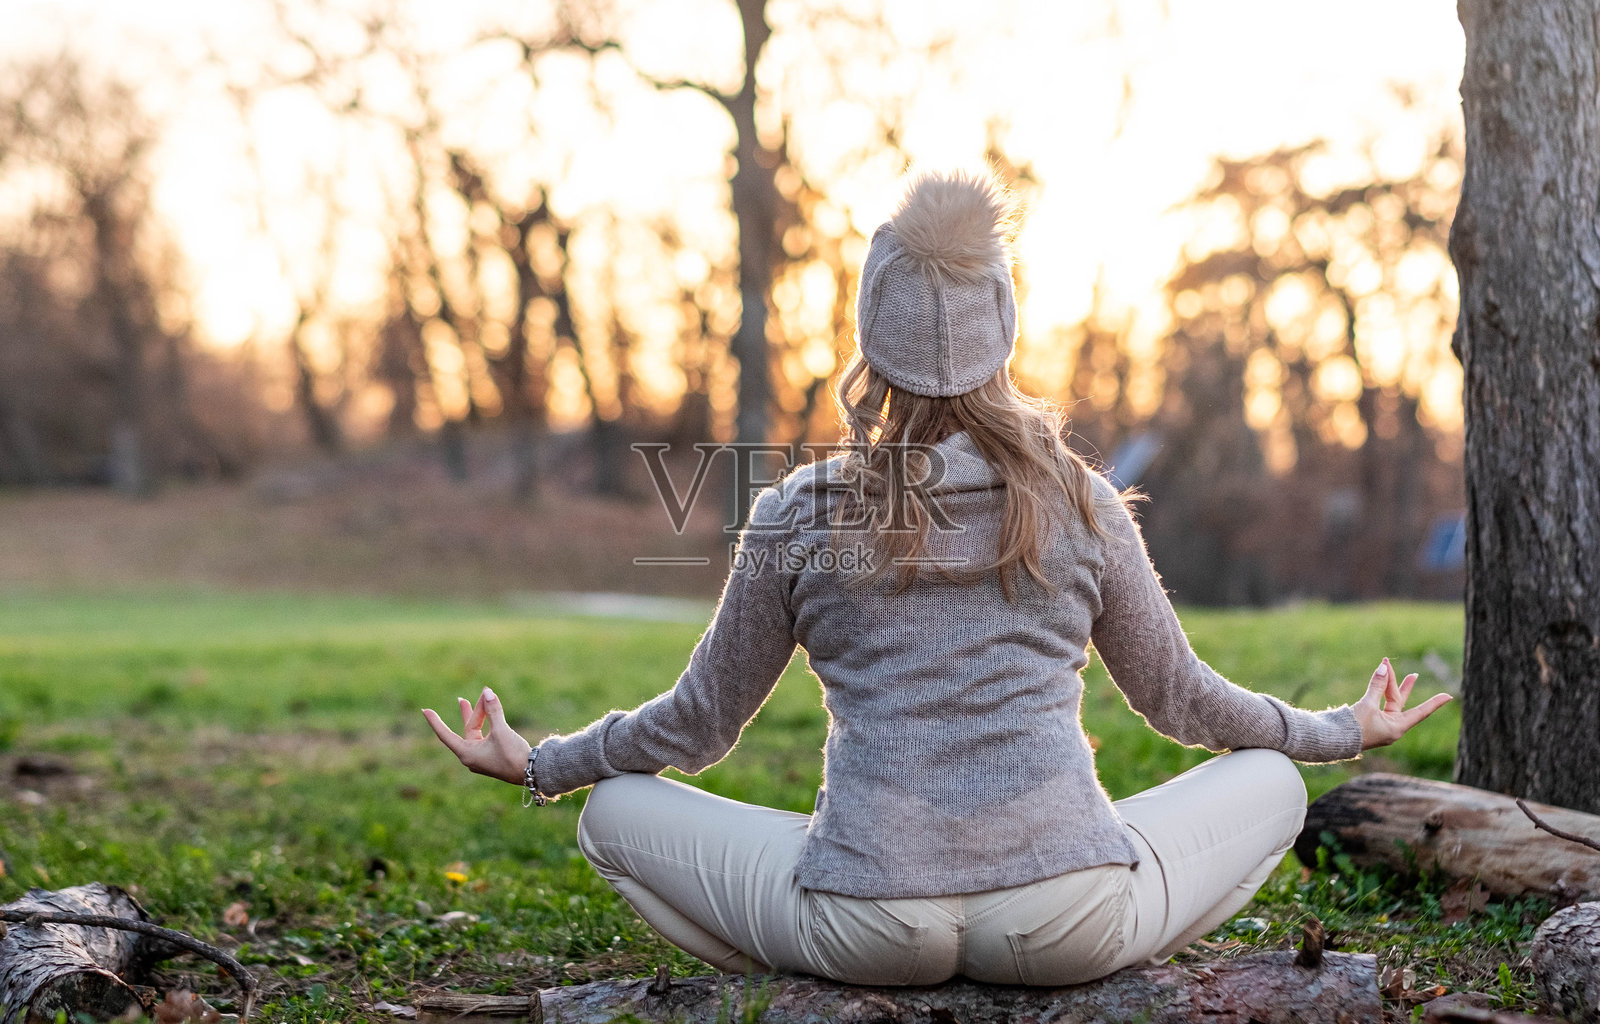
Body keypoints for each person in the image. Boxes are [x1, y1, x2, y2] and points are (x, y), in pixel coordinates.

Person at [423, 168, 1451, 987]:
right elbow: (1183, 702)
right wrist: (1336, 731)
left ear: (869, 337)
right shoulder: (1082, 501)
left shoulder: (796, 513)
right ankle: (1094, 962)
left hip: (870, 919)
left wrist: (543, 764)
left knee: (612, 813)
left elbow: (696, 726)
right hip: (1068, 915)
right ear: (1003, 329)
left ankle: (822, 977)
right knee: (1271, 777)